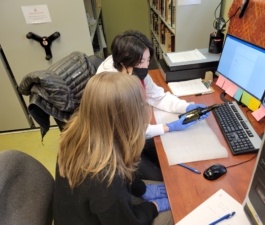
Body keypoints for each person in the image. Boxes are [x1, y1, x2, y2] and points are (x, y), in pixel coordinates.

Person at [54, 71, 174, 225]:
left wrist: (140, 188)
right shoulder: (106, 179)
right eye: (141, 105)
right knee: (180, 211)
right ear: (127, 120)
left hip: (86, 212)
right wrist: (152, 207)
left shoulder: (76, 135)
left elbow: (124, 168)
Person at [97, 30, 210, 181]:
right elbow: (128, 130)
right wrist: (169, 127)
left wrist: (186, 107)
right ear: (124, 63)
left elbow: (158, 97)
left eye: (148, 60)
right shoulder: (110, 87)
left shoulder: (133, 71)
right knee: (166, 176)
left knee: (173, 161)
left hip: (136, 133)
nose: (145, 66)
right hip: (117, 146)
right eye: (140, 62)